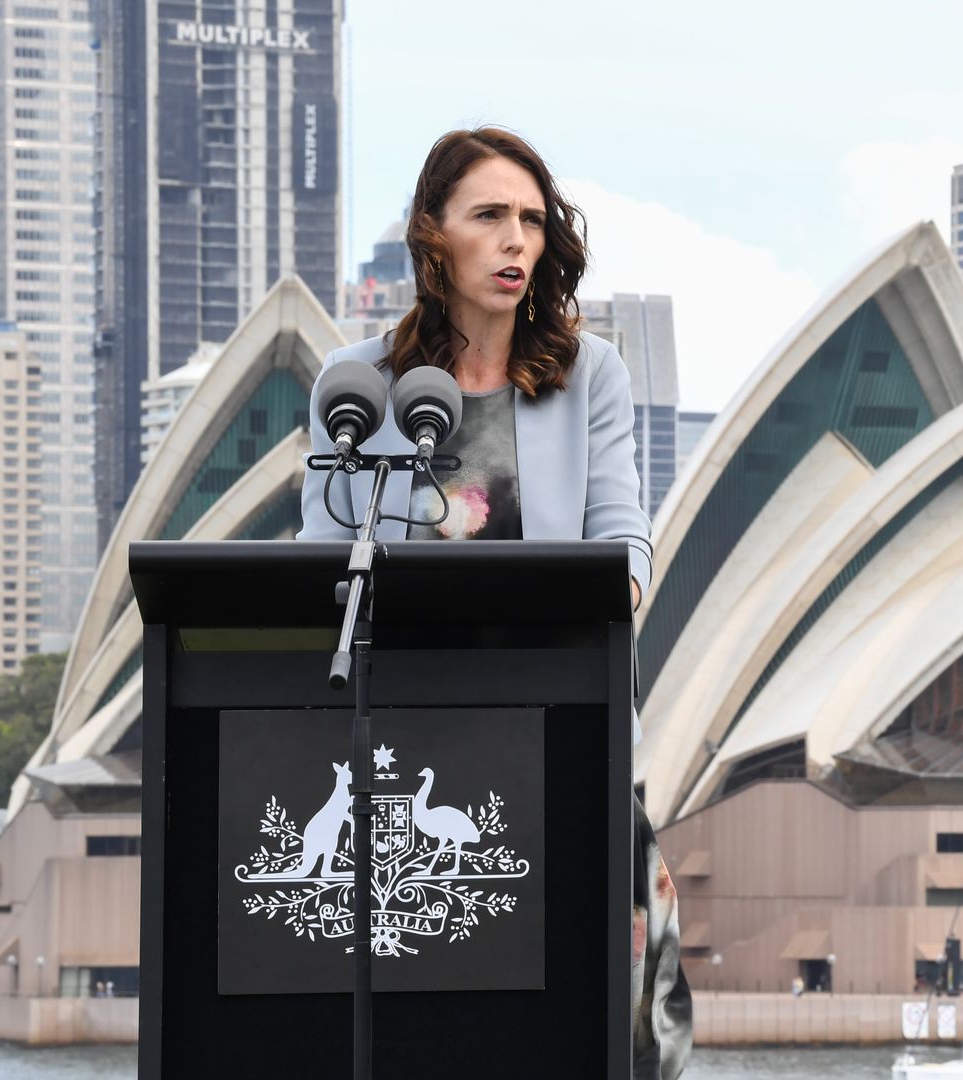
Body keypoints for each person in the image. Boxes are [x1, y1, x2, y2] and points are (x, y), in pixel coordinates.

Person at [296, 127, 691, 1080]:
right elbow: (318, 563)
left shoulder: (589, 373)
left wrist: (614, 589)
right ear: (433, 234)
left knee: (622, 1004)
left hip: (568, 722)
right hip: (407, 726)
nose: (518, 241)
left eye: (531, 220)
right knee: (430, 1007)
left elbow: (623, 532)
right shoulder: (357, 386)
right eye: (489, 217)